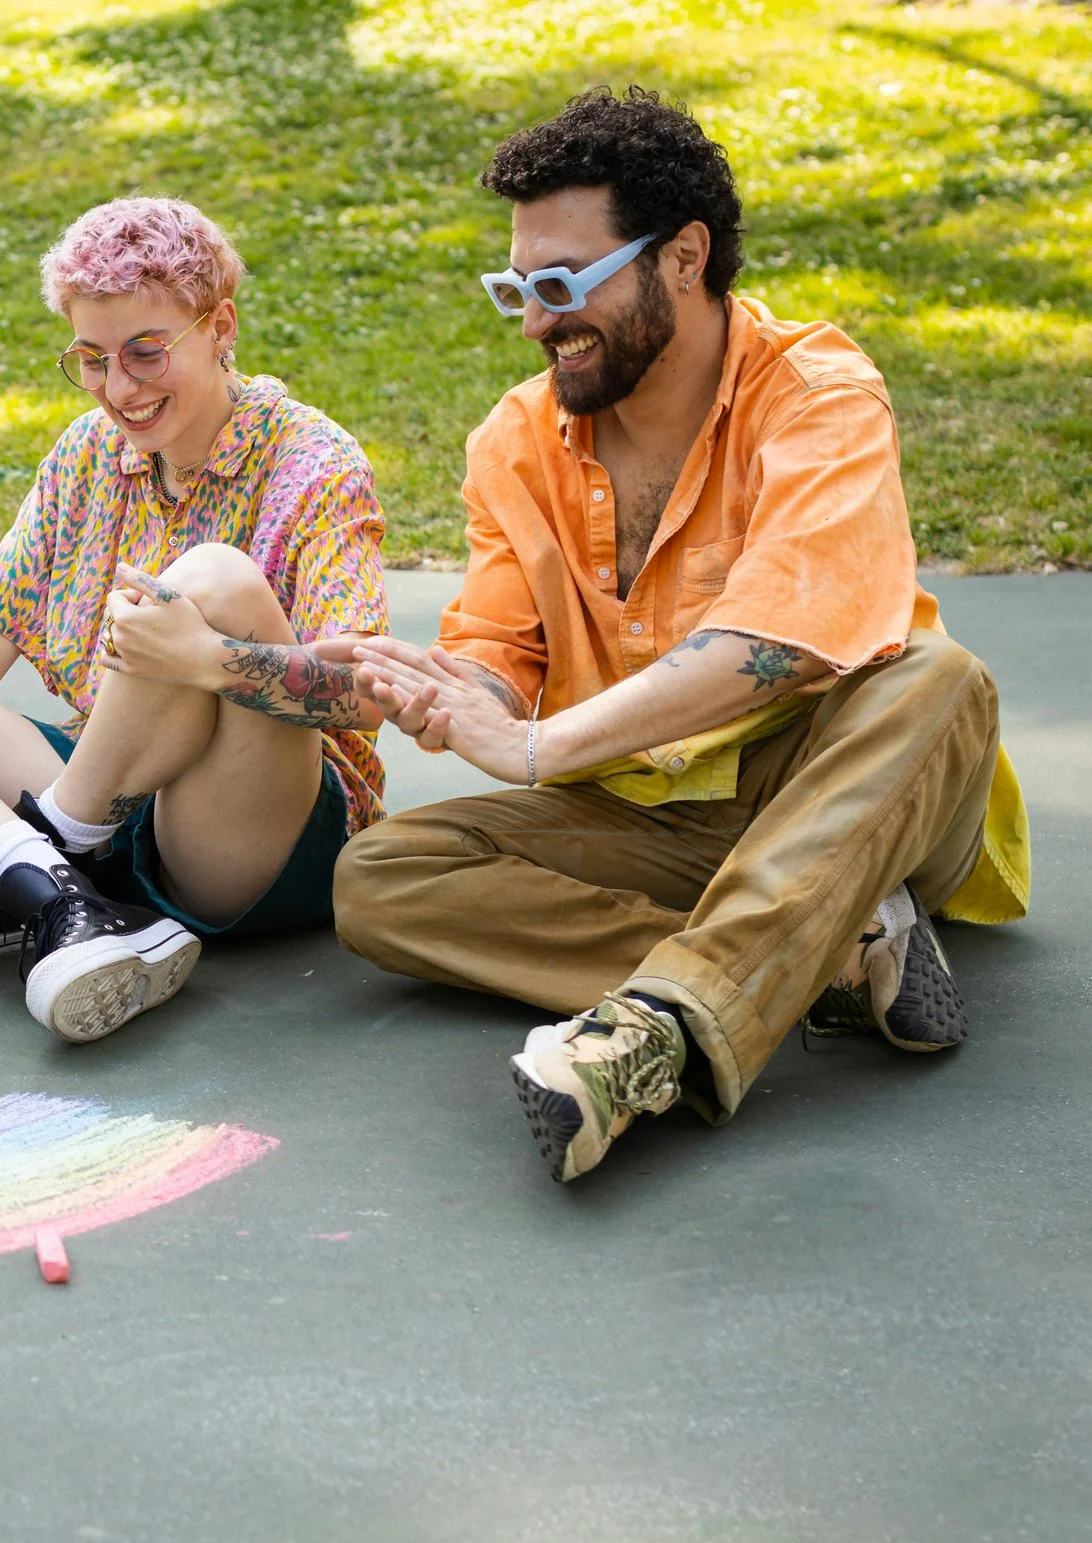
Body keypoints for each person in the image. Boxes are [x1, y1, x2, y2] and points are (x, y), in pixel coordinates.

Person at [327, 89, 1030, 1183]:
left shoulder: (817, 394)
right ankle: (829, 954)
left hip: (853, 784)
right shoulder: (513, 441)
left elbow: (785, 640)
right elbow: (502, 658)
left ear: (685, 257)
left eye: (559, 285)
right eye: (514, 287)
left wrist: (537, 749)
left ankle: (649, 1032)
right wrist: (426, 682)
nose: (530, 320)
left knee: (940, 678)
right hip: (652, 806)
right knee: (382, 876)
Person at [0, 196, 390, 1043]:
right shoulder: (86, 454)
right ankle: (40, 878)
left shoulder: (312, 461)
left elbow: (365, 697)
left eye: (145, 352)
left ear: (220, 326)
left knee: (212, 577)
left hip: (259, 834)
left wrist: (210, 658)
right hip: (110, 788)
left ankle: (38, 854)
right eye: (92, 359)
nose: (120, 388)